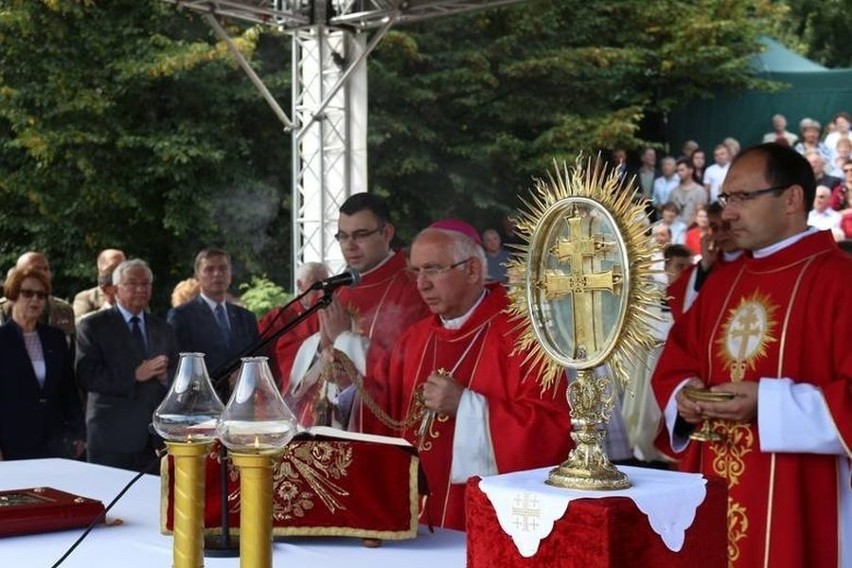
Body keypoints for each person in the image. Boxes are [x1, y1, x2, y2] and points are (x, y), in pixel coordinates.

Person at [652, 143, 851, 567]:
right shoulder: (722, 284)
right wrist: (684, 397)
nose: (729, 213)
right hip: (714, 486)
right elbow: (676, 360)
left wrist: (769, 403)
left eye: (744, 197)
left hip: (804, 500)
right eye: (727, 199)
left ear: (792, 199)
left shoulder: (840, 282)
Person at [378, 222, 572, 530]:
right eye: (415, 272)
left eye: (432, 269)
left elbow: (552, 431)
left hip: (486, 524)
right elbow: (382, 414)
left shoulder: (522, 336)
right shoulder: (413, 339)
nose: (421, 284)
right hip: (414, 522)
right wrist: (345, 383)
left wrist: (467, 407)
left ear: (471, 271)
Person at [288, 193, 429, 432]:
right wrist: (322, 346)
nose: (349, 246)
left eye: (360, 235)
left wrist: (344, 338)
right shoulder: (340, 288)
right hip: (331, 423)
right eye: (343, 236)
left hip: (381, 428)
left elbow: (409, 370)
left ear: (387, 233)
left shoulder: (414, 290)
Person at [76, 259, 178, 472]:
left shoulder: (162, 328)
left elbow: (177, 373)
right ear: (115, 289)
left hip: (153, 440)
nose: (140, 289)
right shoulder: (93, 326)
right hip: (111, 437)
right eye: (132, 283)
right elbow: (87, 375)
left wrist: (164, 377)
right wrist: (134, 375)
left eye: (146, 283)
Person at [0, 267, 85, 461]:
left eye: (41, 295)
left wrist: (78, 433)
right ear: (13, 295)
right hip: (12, 441)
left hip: (54, 441)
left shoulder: (54, 337)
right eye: (28, 293)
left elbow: (68, 389)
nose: (35, 299)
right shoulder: (2, 339)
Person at [167, 248, 259, 391]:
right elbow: (176, 366)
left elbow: (260, 360)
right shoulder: (181, 316)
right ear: (197, 276)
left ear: (230, 274)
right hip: (200, 404)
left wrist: (247, 375)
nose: (217, 274)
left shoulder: (246, 318)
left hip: (242, 402)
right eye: (209, 269)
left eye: (223, 268)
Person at [258, 261, 329, 395]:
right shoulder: (279, 316)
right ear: (299, 285)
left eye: (326, 282)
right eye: (316, 282)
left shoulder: (332, 313)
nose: (322, 288)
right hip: (287, 395)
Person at [0, 252, 76, 346]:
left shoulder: (64, 310)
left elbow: (71, 351)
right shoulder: (2, 310)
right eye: (28, 293)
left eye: (46, 269)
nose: (43, 273)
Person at [72, 248, 125, 320]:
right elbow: (78, 323)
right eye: (113, 268)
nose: (120, 271)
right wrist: (109, 306)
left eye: (124, 266)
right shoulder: (86, 298)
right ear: (100, 270)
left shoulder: (137, 294)